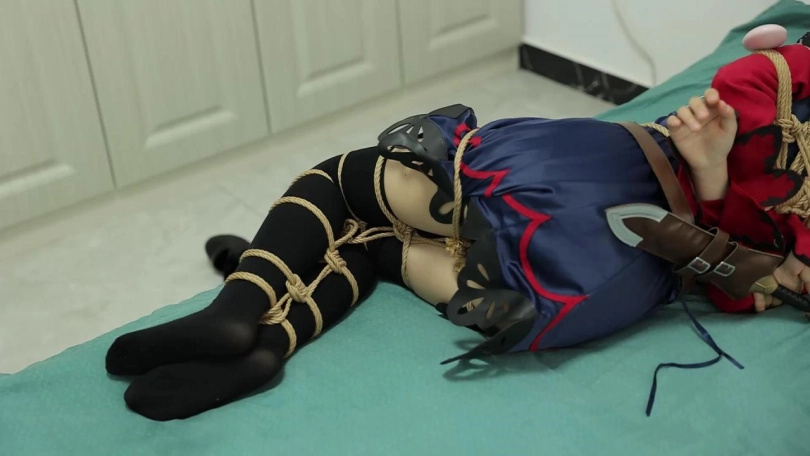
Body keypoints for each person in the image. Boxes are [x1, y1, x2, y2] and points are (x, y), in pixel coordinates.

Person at [104, 28, 810, 421]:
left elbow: (743, 85)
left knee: (345, 183)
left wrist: (713, 169)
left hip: (581, 183)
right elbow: (748, 283)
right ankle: (270, 343)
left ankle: (238, 307)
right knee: (377, 249)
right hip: (598, 291)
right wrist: (725, 197)